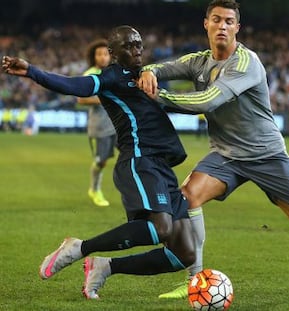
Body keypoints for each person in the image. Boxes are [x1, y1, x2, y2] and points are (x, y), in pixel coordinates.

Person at [138, 0, 289, 298]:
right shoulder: (199, 61)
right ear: (206, 24)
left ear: (237, 28)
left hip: (266, 156)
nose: (223, 26)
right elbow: (162, 67)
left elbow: (209, 101)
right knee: (187, 198)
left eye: (229, 21)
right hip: (226, 156)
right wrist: (149, 71)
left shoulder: (246, 63)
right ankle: (196, 280)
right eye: (217, 19)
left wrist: (158, 96)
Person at [2, 25, 195, 300]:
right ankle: (78, 248)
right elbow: (74, 86)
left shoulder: (147, 75)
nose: (137, 49)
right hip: (140, 160)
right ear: (114, 54)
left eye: (139, 43)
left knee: (184, 253)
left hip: (162, 166)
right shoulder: (111, 77)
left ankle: (105, 266)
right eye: (129, 45)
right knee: (160, 228)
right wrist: (33, 71)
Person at [77, 39, 117, 207]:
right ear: (93, 57)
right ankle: (95, 189)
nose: (102, 57)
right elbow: (81, 99)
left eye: (105, 54)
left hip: (117, 125)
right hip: (99, 127)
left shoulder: (114, 73)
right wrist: (103, 100)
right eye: (99, 54)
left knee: (133, 156)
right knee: (101, 161)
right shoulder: (90, 74)